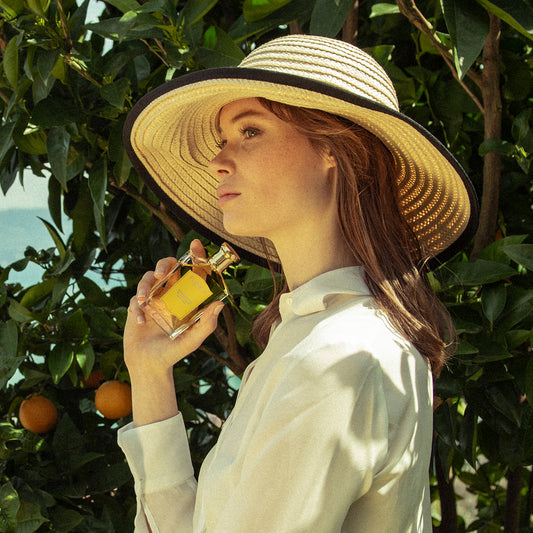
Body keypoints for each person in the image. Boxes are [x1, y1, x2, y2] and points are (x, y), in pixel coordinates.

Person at [118, 35, 478, 532]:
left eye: (250, 132)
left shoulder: (334, 357)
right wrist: (150, 372)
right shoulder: (322, 339)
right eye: (224, 139)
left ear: (332, 149)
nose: (218, 160)